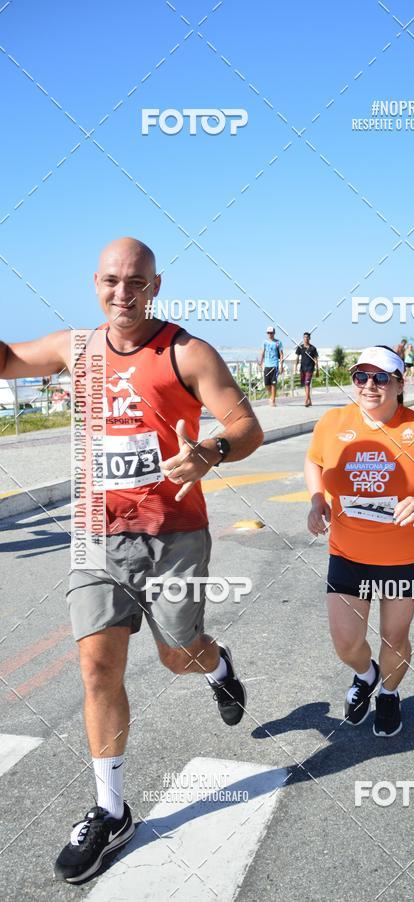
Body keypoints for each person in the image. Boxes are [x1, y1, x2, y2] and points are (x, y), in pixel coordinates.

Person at [0, 237, 264, 883]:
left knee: (177, 655)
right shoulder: (76, 349)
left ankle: (216, 663)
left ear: (156, 284)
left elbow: (246, 425)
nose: (124, 292)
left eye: (137, 281)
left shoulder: (185, 351)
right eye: (113, 280)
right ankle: (111, 810)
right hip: (98, 532)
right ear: (96, 283)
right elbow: (7, 360)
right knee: (97, 666)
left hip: (174, 533)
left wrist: (210, 452)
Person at [304, 345, 414, 737]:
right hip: (348, 552)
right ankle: (365, 674)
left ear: (399, 383)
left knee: (394, 637)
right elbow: (315, 461)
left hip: (404, 556)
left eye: (380, 377)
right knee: (345, 641)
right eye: (361, 377)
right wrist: (317, 499)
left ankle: (389, 693)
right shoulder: (333, 422)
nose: (369, 386)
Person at [259, 325, 284, 406]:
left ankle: (273, 400)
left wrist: (281, 365)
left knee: (273, 383)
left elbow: (281, 354)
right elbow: (262, 352)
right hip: (267, 365)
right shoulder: (265, 342)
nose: (270, 334)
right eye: (268, 333)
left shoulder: (278, 342)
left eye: (271, 332)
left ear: (274, 333)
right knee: (267, 384)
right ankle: (271, 396)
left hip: (274, 365)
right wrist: (261, 362)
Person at [295, 332, 319, 406]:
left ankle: (306, 400)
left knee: (307, 383)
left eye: (307, 337)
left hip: (310, 368)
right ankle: (309, 400)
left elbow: (316, 359)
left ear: (309, 338)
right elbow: (297, 358)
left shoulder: (313, 348)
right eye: (305, 337)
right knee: (305, 385)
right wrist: (295, 367)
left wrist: (317, 370)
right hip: (302, 368)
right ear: (303, 338)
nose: (306, 338)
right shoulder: (300, 347)